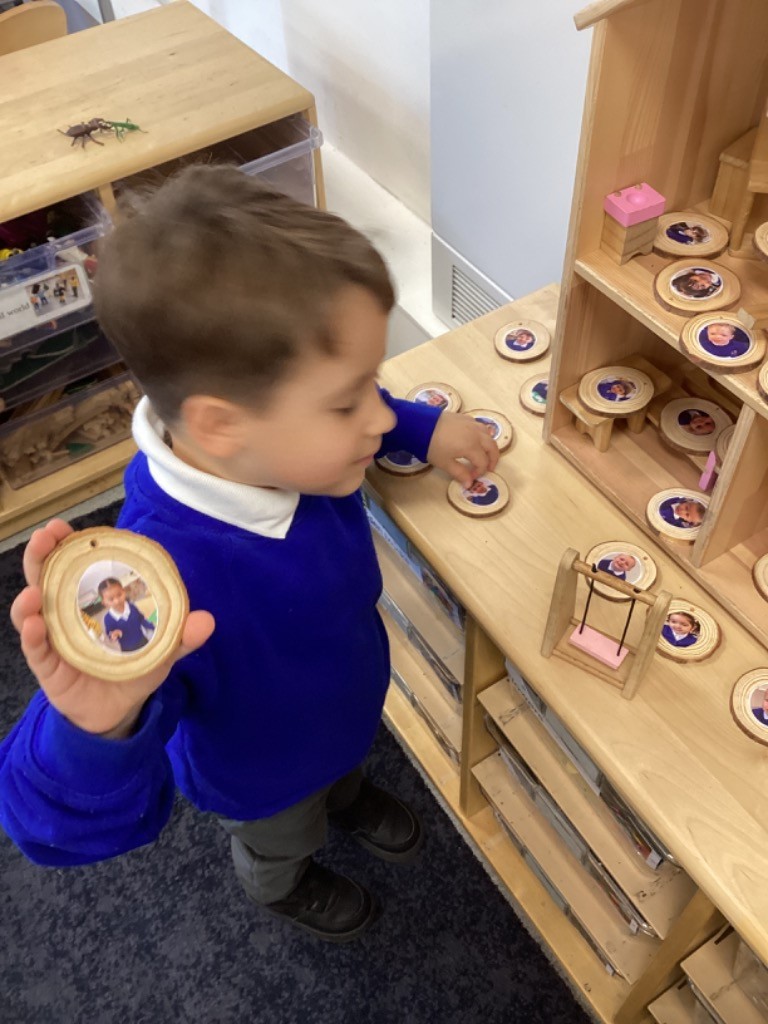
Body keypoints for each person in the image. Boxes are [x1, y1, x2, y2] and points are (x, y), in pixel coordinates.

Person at [0, 167, 499, 944]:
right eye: (348, 402)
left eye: (374, 388)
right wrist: (92, 729)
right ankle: (278, 884)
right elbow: (43, 826)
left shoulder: (288, 447)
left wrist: (421, 428)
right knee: (283, 837)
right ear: (223, 426)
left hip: (346, 697)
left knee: (345, 762)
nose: (377, 418)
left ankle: (347, 791)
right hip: (261, 776)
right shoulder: (160, 577)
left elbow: (358, 411)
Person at [98, 576, 156, 653]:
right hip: (128, 648)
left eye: (119, 595)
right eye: (111, 599)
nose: (117, 601)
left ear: (124, 591)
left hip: (142, 639)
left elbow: (141, 618)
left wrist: (152, 626)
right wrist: (114, 635)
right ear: (104, 603)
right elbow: (110, 634)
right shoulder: (108, 619)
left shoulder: (131, 606)